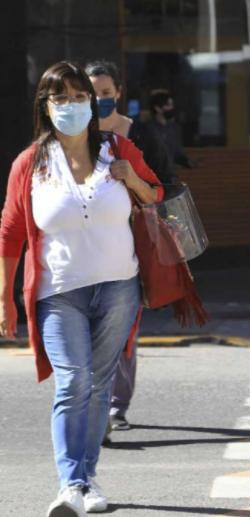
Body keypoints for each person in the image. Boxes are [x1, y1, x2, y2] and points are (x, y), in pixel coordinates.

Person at [0, 61, 163, 516]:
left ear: (92, 103)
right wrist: (5, 298)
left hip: (118, 287)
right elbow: (11, 231)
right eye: (60, 98)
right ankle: (70, 483)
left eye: (78, 97)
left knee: (98, 384)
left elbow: (155, 194)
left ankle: (88, 481)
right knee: (73, 381)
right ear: (45, 107)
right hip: (59, 293)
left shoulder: (118, 147)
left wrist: (131, 177)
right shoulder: (30, 163)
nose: (71, 106)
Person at [85, 60, 177, 435]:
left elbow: (166, 186)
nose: (98, 101)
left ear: (118, 94)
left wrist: (133, 179)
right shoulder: (72, 136)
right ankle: (93, 402)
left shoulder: (141, 136)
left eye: (105, 94)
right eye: (91, 95)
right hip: (85, 245)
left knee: (122, 327)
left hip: (132, 244)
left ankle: (114, 405)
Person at [147, 90, 192, 168]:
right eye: (168, 105)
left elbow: (178, 152)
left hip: (170, 175)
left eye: (172, 105)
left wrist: (186, 161)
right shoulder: (148, 129)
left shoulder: (175, 128)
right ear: (157, 108)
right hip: (152, 174)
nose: (171, 108)